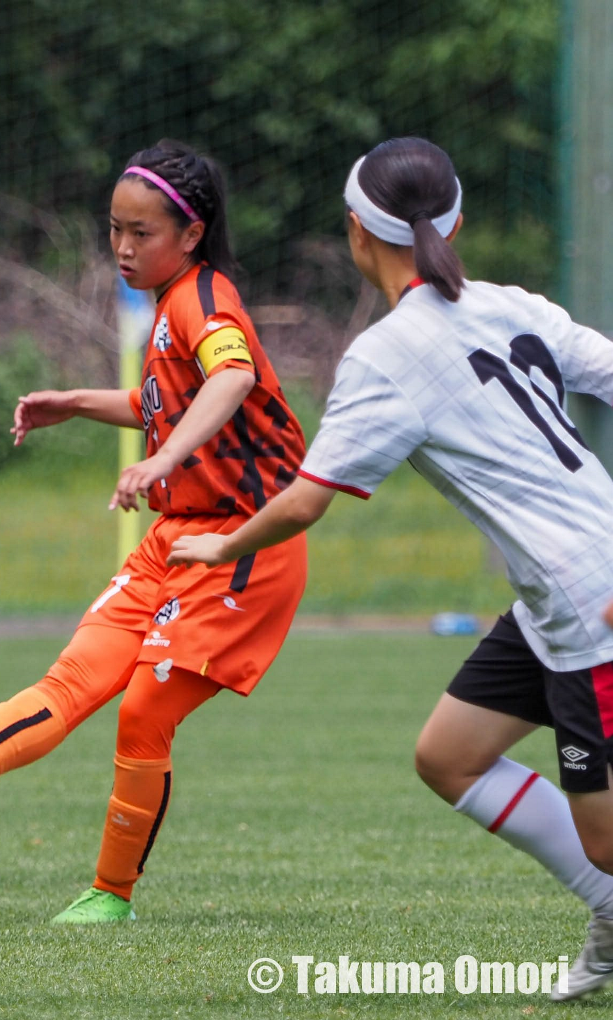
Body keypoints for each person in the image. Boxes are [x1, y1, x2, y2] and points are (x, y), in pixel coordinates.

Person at [168, 136, 613, 1001]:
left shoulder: (383, 357)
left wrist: (221, 544)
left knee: (606, 838)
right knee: (450, 755)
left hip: (591, 602)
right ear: (458, 220)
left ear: (353, 231)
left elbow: (303, 502)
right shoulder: (509, 303)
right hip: (555, 601)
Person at [0, 140, 308, 923]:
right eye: (115, 230)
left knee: (142, 712)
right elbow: (163, 401)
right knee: (77, 675)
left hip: (242, 545)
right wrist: (74, 400)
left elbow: (232, 378)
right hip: (174, 538)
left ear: (192, 233)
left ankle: (111, 896)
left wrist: (164, 457)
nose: (124, 249)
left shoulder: (205, 300)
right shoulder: (170, 308)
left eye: (142, 233)